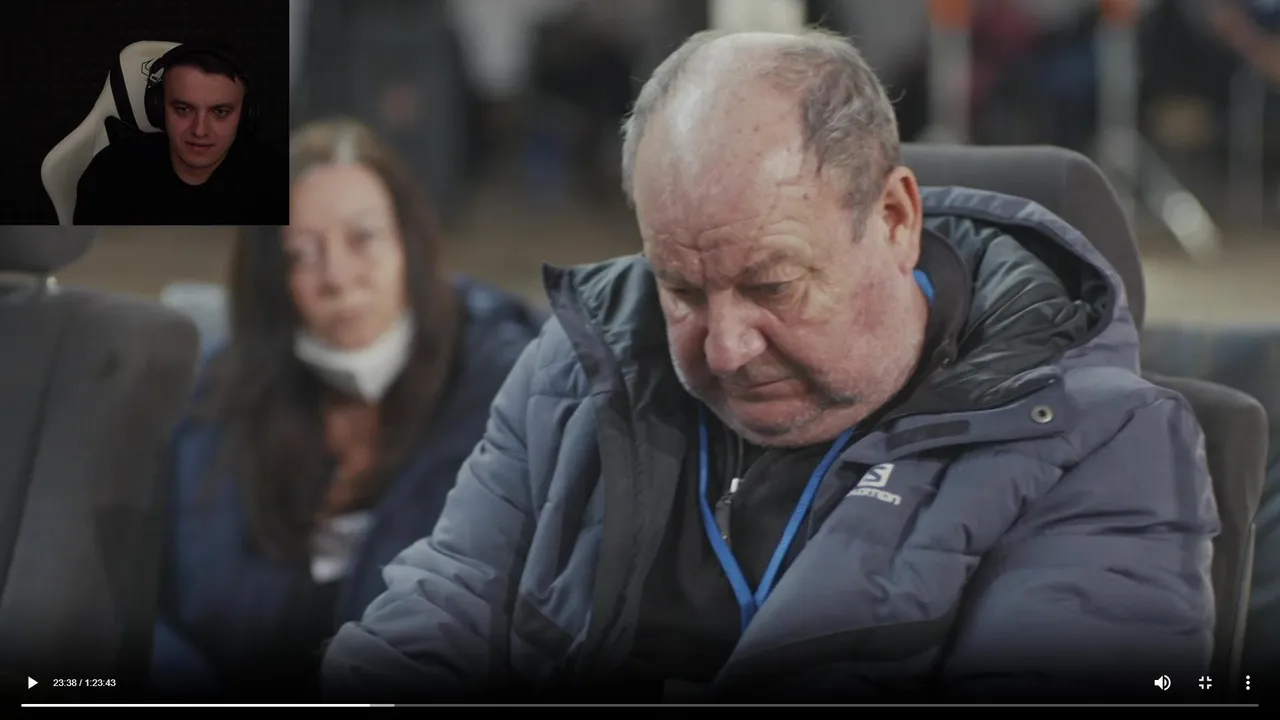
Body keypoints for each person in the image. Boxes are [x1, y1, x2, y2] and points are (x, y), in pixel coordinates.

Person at [322, 29, 1219, 703]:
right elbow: (443, 603)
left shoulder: (1100, 443)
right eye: (681, 289)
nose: (725, 348)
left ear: (896, 219)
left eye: (774, 285)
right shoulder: (577, 365)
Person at [148, 118, 543, 702]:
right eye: (301, 255)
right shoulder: (215, 400)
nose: (337, 277)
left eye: (363, 239)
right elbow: (166, 610)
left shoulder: (509, 382)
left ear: (409, 244)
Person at [73, 44, 286, 225]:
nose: (199, 131)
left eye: (220, 112)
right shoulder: (111, 173)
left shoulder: (279, 182)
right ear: (158, 108)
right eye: (183, 109)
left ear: (245, 114)